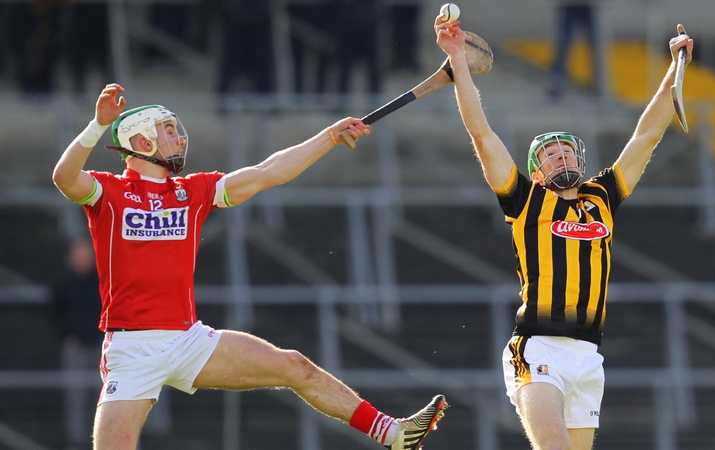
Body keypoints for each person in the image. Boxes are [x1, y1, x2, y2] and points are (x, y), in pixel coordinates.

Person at [51, 83, 447, 450]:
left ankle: (394, 434)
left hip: (188, 339)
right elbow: (64, 177)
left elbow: (268, 172)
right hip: (132, 348)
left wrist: (328, 137)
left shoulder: (193, 191)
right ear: (141, 141)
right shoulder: (110, 191)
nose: (180, 137)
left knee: (294, 365)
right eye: (168, 130)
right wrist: (97, 126)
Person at [435, 17, 692, 450]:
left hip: (588, 356)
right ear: (536, 174)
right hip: (537, 349)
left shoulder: (602, 196)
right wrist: (458, 58)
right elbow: (481, 133)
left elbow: (647, 134)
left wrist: (674, 66)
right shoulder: (524, 199)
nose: (561, 157)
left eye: (567, 150)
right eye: (550, 155)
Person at [49, 236, 104, 449]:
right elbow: (54, 313)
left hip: (102, 349)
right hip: (77, 349)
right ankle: (77, 444)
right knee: (76, 400)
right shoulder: (62, 283)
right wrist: (66, 336)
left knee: (104, 398)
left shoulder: (102, 281)